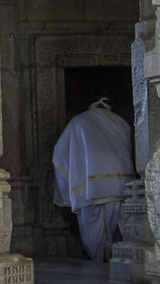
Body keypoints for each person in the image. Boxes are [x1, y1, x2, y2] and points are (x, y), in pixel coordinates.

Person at [51, 97, 136, 261]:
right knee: (121, 234)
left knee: (95, 236)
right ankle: (118, 266)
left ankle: (99, 265)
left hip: (91, 189)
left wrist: (69, 186)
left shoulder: (78, 122)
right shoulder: (120, 123)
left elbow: (59, 155)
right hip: (124, 187)